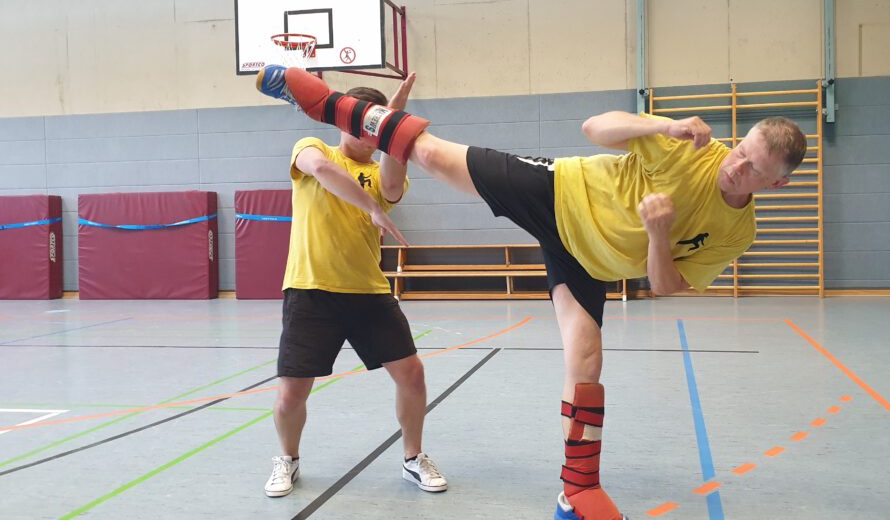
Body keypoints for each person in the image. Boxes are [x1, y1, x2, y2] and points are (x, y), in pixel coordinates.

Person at [256, 65, 806, 519]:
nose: (735, 167)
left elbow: (665, 285)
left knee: (586, 364)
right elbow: (597, 126)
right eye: (740, 151)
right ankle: (326, 101)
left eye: (752, 168)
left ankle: (577, 490)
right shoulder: (695, 149)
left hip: (589, 263)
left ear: (776, 184)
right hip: (559, 191)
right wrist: (663, 126)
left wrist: (658, 234)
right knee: (432, 154)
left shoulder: (740, 232)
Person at [264, 73, 448, 499]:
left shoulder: (380, 167)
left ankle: (412, 458)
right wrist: (370, 209)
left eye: (375, 127)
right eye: (361, 124)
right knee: (292, 392)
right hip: (310, 289)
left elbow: (392, 185)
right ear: (344, 122)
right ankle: (287, 460)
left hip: (368, 292)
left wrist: (394, 124)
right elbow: (323, 171)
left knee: (412, 375)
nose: (366, 134)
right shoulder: (312, 148)